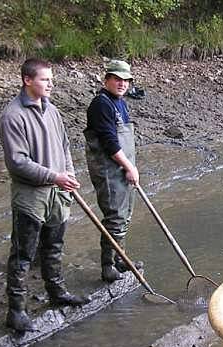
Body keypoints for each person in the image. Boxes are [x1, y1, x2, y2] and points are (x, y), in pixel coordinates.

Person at [0, 58, 88, 332]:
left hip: (58, 194)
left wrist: (68, 175)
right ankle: (16, 310)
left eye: (51, 79)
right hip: (30, 197)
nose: (51, 84)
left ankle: (56, 292)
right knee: (23, 254)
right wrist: (54, 176)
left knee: (54, 246)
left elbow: (64, 147)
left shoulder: (52, 111)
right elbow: (18, 162)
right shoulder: (12, 116)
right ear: (27, 80)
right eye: (45, 79)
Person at [84, 60, 141, 283]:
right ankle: (108, 267)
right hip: (108, 170)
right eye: (117, 79)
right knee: (115, 217)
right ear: (106, 79)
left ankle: (121, 260)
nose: (122, 83)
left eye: (126, 80)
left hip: (123, 168)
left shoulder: (120, 103)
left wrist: (130, 168)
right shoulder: (101, 104)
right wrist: (129, 167)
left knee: (125, 215)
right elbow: (109, 142)